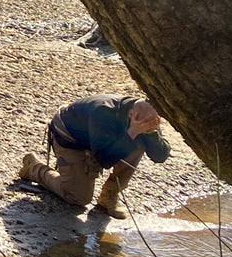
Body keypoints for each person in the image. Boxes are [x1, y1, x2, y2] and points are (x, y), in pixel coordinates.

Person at [19, 94, 170, 219]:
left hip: (99, 141)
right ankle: (34, 168)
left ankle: (109, 195)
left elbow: (160, 156)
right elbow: (103, 160)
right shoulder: (104, 112)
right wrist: (132, 132)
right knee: (79, 198)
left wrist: (152, 133)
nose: (150, 124)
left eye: (154, 122)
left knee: (138, 143)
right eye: (147, 123)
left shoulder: (147, 115)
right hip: (71, 138)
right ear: (132, 114)